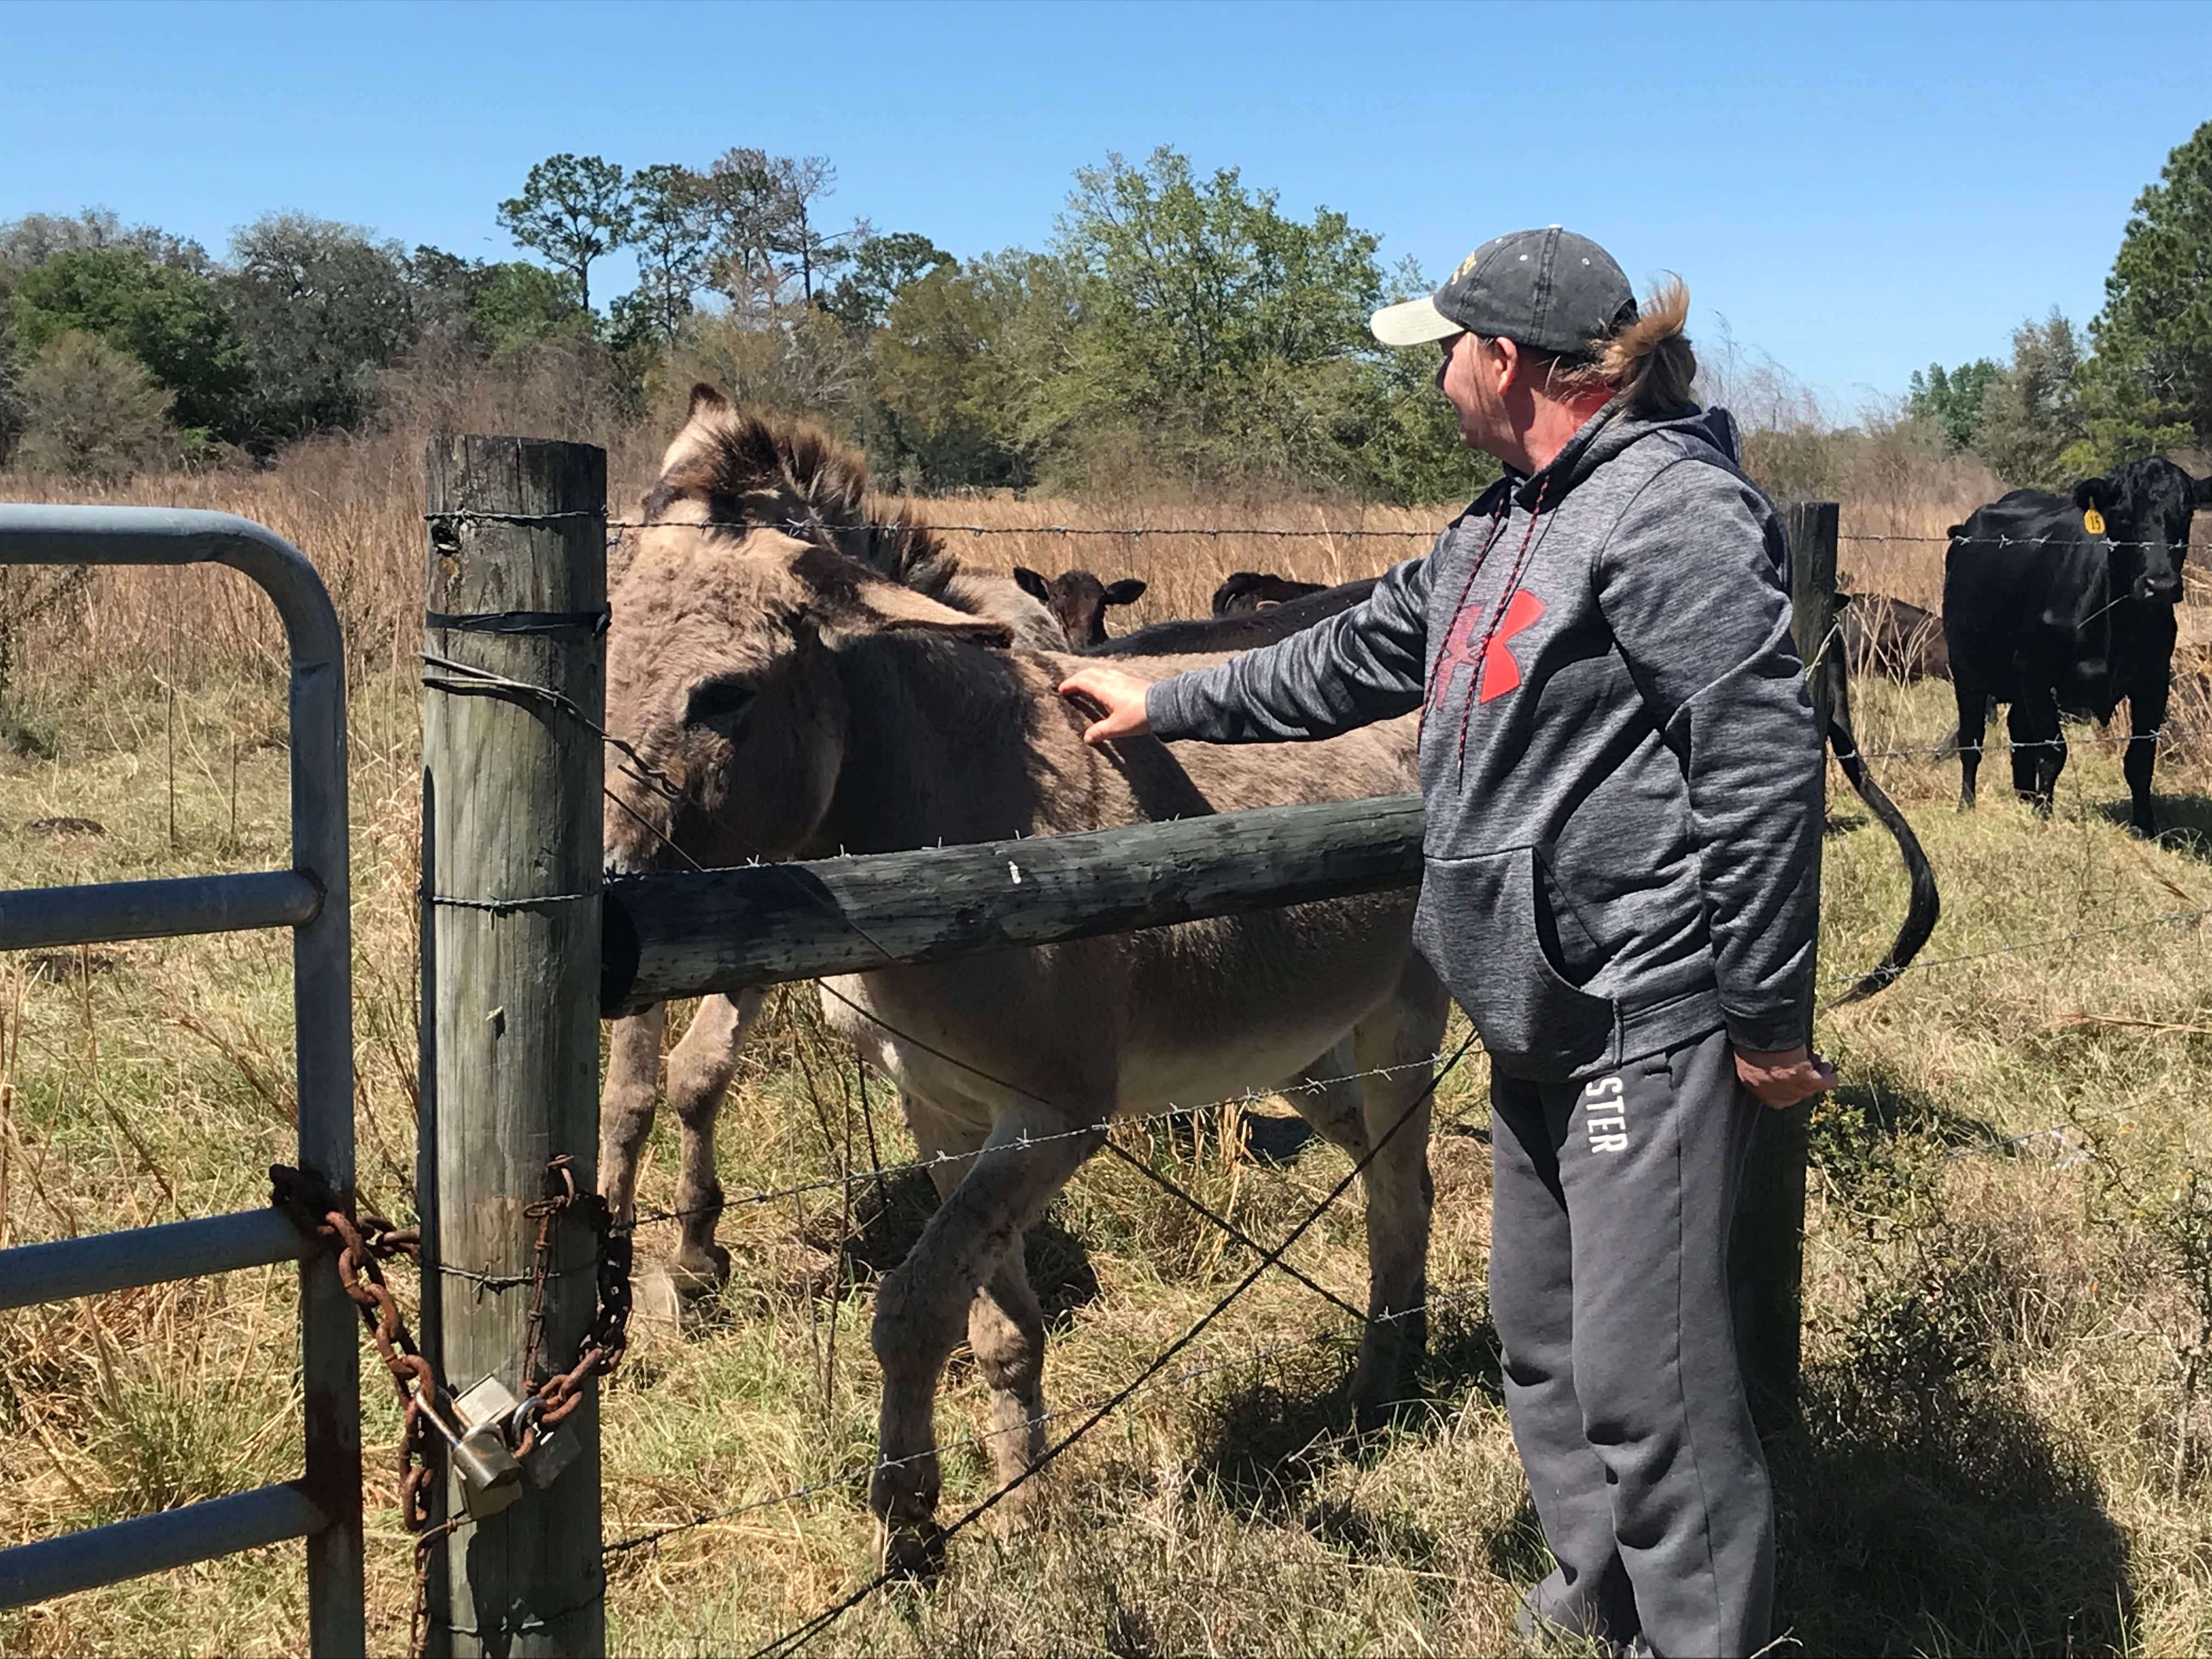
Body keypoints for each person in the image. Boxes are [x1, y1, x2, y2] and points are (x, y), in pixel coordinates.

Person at [1057, 227, 1835, 1658]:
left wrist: (1768, 1020)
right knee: (1542, 1348)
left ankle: (1710, 1640)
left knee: (1649, 1384)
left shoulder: (1674, 510)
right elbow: (1344, 657)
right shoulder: (1496, 529)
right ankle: (1598, 1611)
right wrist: (1163, 703)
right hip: (1530, 1005)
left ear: (1515, 361)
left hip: (1643, 1003)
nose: (1434, 379)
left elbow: (1760, 755)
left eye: (1448, 352)